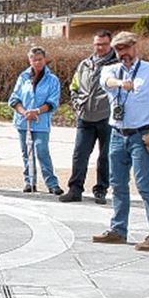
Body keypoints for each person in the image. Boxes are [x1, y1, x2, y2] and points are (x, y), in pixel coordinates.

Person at [92, 32, 149, 251]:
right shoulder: (110, 69)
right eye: (119, 49)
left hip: (143, 134)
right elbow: (106, 82)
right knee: (118, 184)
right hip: (118, 133)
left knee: (145, 185)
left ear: (135, 47)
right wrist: (122, 83)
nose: (123, 53)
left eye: (127, 48)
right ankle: (118, 229)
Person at [60, 30, 117, 204]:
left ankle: (101, 190)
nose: (100, 47)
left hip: (107, 118)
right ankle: (75, 189)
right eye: (97, 44)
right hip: (85, 117)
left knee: (105, 156)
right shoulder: (85, 64)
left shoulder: (117, 66)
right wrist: (77, 103)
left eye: (103, 44)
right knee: (80, 154)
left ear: (110, 44)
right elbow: (74, 86)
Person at [9, 46, 63, 195]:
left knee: (42, 151)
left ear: (45, 60)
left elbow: (53, 101)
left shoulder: (52, 79)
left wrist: (37, 111)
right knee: (27, 152)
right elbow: (14, 98)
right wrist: (24, 111)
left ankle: (52, 183)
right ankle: (29, 181)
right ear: (30, 60)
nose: (37, 62)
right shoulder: (23, 77)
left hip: (41, 122)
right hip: (23, 121)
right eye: (34, 60)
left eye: (40, 59)